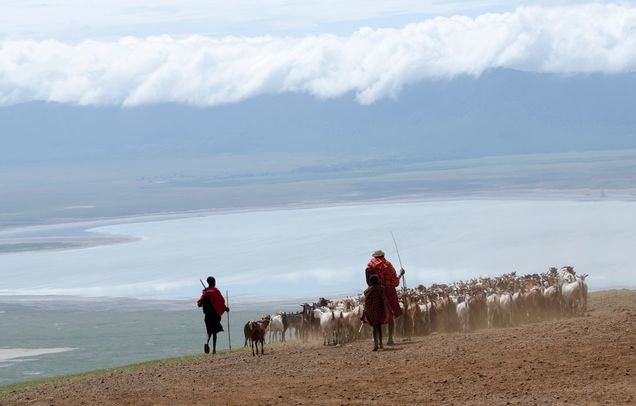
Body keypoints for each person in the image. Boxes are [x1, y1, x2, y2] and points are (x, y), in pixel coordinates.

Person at [365, 249, 404, 345]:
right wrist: (400, 274)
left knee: (373, 312)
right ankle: (390, 339)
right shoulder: (389, 266)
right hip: (390, 292)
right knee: (391, 314)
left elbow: (369, 282)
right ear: (383, 256)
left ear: (375, 257)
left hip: (377, 292)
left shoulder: (370, 266)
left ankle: (377, 339)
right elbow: (395, 282)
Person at [197, 276, 229, 354]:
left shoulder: (205, 292)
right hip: (214, 315)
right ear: (213, 282)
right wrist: (225, 308)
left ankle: (206, 343)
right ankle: (214, 350)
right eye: (214, 281)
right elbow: (220, 302)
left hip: (207, 316)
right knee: (214, 332)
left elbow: (199, 304)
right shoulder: (216, 291)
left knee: (209, 331)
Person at [362, 274, 388, 351]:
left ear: (370, 282)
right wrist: (385, 310)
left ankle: (375, 344)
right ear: (377, 281)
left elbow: (366, 302)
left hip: (371, 311)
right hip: (379, 310)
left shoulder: (367, 291)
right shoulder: (381, 289)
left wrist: (365, 313)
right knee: (379, 326)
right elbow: (383, 300)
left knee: (374, 327)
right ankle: (381, 343)